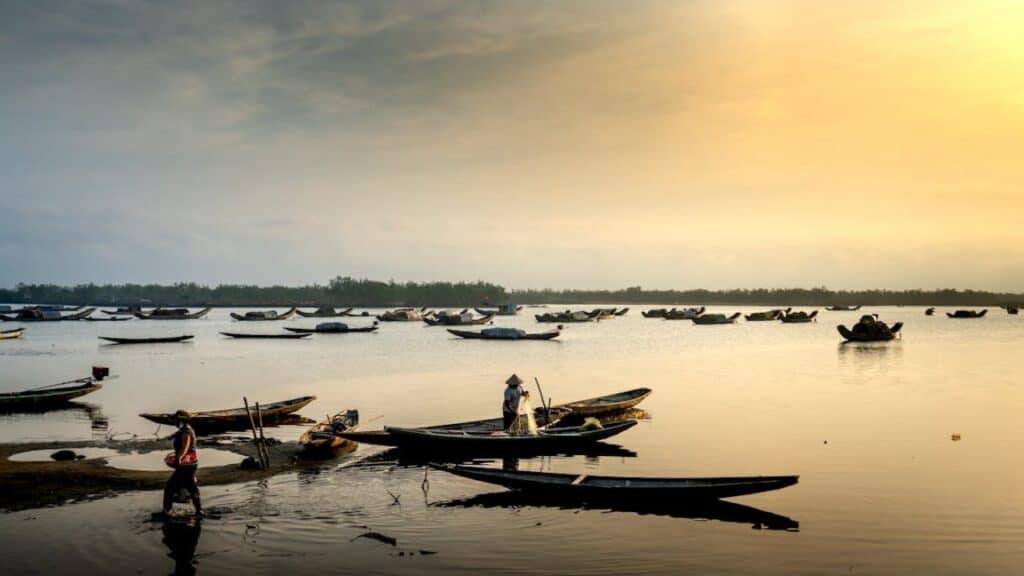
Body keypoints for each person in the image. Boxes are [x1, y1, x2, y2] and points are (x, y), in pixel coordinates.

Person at [163, 410, 202, 517]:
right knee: (191, 488)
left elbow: (185, 448)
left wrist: (177, 459)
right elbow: (179, 435)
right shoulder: (183, 430)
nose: (174, 422)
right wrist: (172, 436)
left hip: (187, 465)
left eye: (175, 420)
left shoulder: (186, 432)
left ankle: (166, 512)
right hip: (190, 464)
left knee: (169, 488)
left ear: (181, 420)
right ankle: (199, 511)